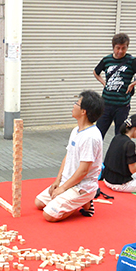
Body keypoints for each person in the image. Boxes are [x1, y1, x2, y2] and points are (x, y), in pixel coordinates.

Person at [35, 90, 104, 222]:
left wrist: (63, 188)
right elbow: (67, 157)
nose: (73, 106)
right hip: (68, 181)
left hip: (82, 186)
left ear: (84, 111)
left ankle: (84, 201)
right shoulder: (76, 130)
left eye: (76, 103)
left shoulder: (90, 136)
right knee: (39, 203)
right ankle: (75, 201)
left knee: (49, 215)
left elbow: (84, 170)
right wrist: (57, 181)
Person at [94, 33, 136, 138]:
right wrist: (104, 83)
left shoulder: (131, 61)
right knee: (97, 134)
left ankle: (117, 154)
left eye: (124, 48)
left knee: (120, 135)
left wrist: (134, 83)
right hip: (105, 104)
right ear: (113, 47)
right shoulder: (106, 60)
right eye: (118, 48)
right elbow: (96, 72)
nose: (120, 51)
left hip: (122, 106)